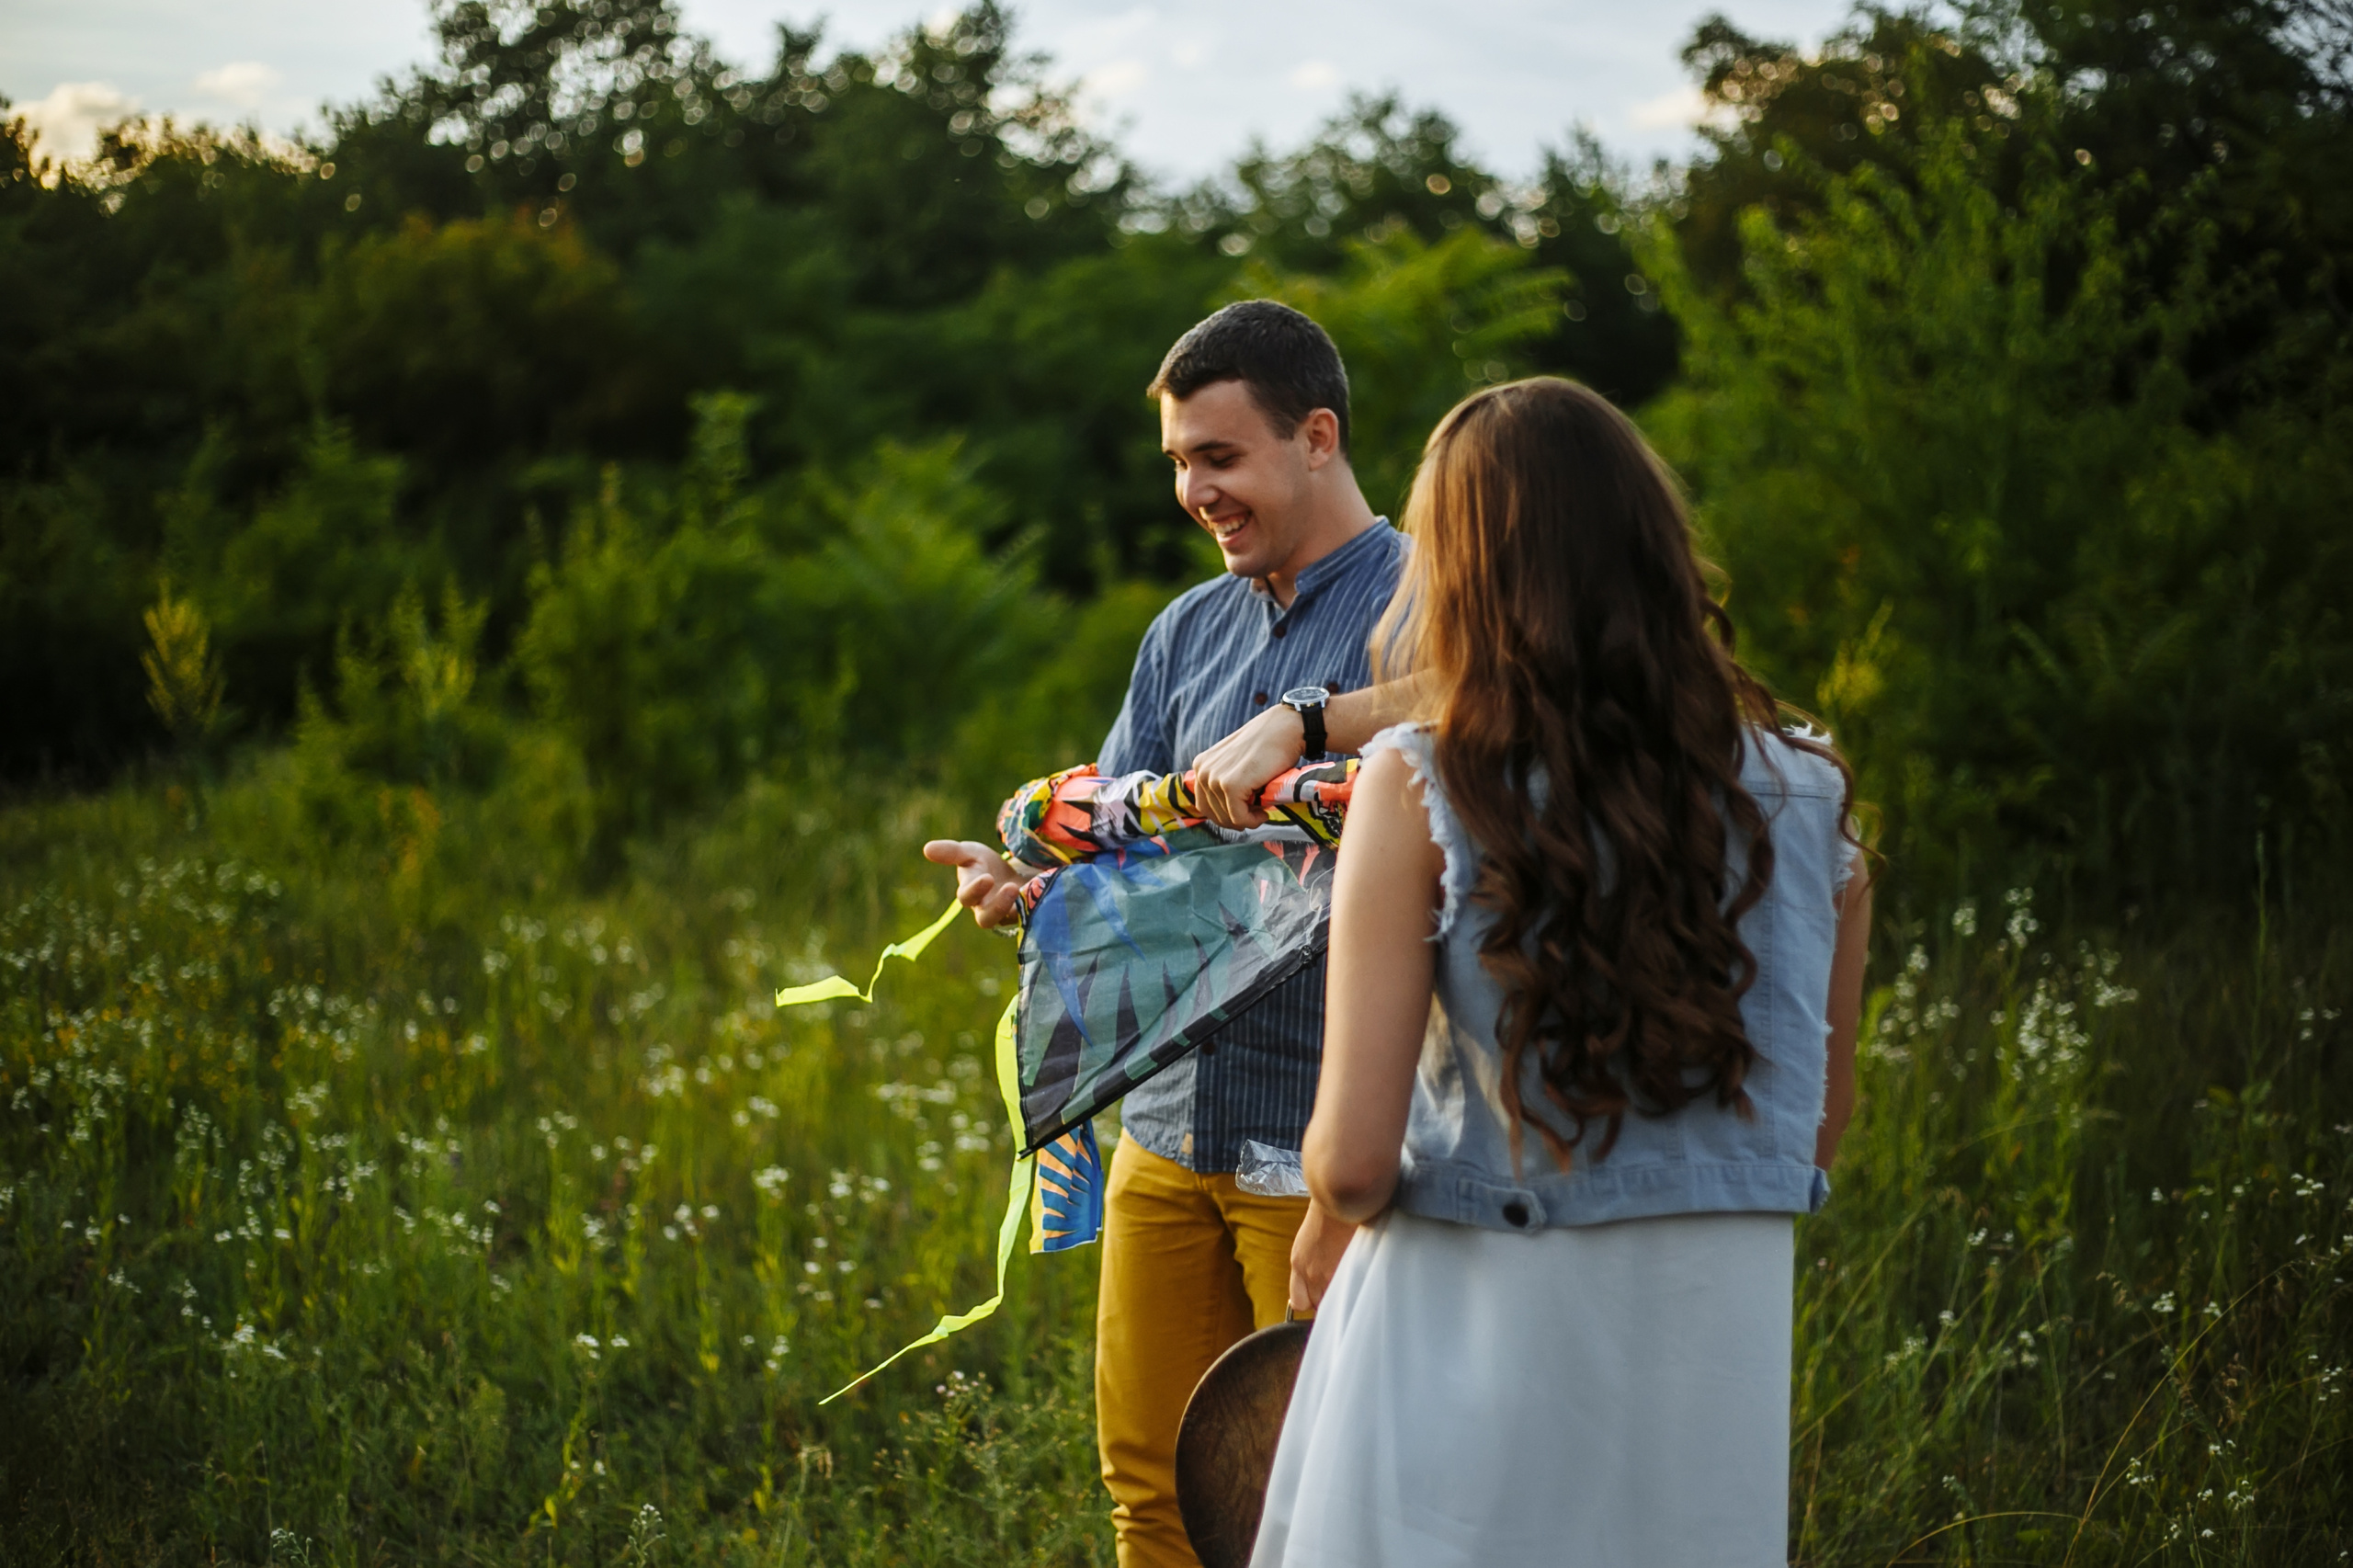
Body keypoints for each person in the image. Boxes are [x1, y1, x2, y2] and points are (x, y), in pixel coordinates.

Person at [1248, 377, 1872, 1568]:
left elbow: (1355, 1156)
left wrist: (1324, 1217)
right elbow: (1817, 1130)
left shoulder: (1424, 780)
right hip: (1708, 1370)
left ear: (1465, 570)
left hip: (1460, 1345)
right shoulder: (1812, 792)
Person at [922, 301, 1408, 1568]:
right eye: (1181, 463)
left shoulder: (1428, 604)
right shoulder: (1183, 631)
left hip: (1321, 1146)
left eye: (1222, 458)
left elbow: (1505, 749)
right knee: (1153, 1497)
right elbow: (1124, 857)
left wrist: (1313, 726)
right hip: (1164, 1129)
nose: (1198, 491)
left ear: (1317, 436)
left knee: (1317, 1514)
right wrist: (1025, 888)